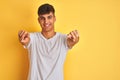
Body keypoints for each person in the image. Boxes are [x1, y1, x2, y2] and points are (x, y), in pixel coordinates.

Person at [18, 3, 79, 80]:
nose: (46, 21)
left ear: (54, 18)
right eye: (42, 18)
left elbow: (71, 42)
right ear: (39, 20)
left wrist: (75, 39)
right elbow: (26, 40)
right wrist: (21, 36)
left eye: (49, 17)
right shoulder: (33, 38)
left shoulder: (63, 39)